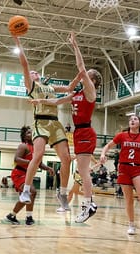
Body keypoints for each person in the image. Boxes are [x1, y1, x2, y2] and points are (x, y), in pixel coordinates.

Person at [28, 32, 102, 222]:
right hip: (78, 132)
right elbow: (59, 100)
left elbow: (81, 67)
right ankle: (88, 203)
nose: (83, 76)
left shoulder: (90, 92)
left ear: (92, 80)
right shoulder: (77, 93)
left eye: (87, 75)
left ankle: (88, 204)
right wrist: (40, 100)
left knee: (83, 171)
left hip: (86, 131)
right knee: (80, 170)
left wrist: (75, 45)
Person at [12, 36, 73, 211]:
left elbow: (69, 89)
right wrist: (18, 42)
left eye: (35, 72)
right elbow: (24, 64)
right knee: (38, 155)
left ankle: (62, 194)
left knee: (66, 158)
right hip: (41, 122)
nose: (33, 72)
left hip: (56, 124)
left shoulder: (50, 87)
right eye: (31, 73)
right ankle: (25, 190)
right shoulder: (31, 87)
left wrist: (82, 77)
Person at [6, 126, 54, 225]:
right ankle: (29, 217)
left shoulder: (37, 148)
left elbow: (39, 164)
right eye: (28, 133)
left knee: (25, 197)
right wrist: (31, 162)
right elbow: (16, 159)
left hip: (28, 175)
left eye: (32, 132)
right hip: (19, 173)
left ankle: (12, 215)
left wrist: (48, 168)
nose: (31, 134)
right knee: (32, 192)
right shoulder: (23, 146)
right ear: (24, 136)